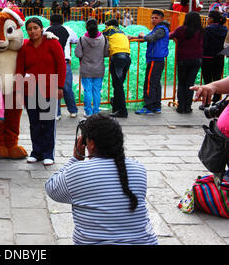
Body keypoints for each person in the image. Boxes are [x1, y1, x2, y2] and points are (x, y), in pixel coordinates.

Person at [45, 113, 158, 245]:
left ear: (91, 144)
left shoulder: (78, 171)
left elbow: (51, 188)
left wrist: (75, 159)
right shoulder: (139, 169)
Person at [15, 17, 66, 166]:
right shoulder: (25, 47)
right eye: (29, 29)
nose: (32, 31)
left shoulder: (53, 43)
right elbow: (20, 68)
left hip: (48, 88)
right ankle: (36, 152)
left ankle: (48, 153)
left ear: (41, 28)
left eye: (35, 28)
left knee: (48, 122)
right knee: (34, 123)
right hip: (30, 89)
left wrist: (60, 87)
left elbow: (61, 65)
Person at [132, 10, 170, 115]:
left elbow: (150, 38)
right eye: (152, 18)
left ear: (161, 19)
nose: (153, 20)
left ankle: (149, 106)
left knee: (150, 83)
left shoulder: (161, 29)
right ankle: (156, 106)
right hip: (155, 59)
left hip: (155, 59)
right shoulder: (157, 29)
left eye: (156, 18)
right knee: (155, 83)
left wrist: (143, 35)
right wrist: (134, 37)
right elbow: (146, 38)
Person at [169, 11, 204, 114]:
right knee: (190, 84)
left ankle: (181, 106)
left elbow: (170, 35)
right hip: (197, 59)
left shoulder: (181, 30)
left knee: (181, 83)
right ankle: (188, 107)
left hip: (183, 59)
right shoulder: (201, 31)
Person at [45, 14, 79, 120]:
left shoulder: (46, 30)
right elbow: (76, 40)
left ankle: (57, 113)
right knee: (67, 88)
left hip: (50, 63)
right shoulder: (68, 30)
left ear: (50, 22)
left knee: (53, 88)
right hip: (64, 62)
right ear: (62, 21)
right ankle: (73, 110)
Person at [75, 18, 109, 117]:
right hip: (99, 68)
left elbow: (78, 54)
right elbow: (106, 53)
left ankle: (88, 111)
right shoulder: (104, 38)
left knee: (87, 90)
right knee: (97, 90)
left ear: (86, 27)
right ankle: (96, 110)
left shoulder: (82, 39)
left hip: (86, 69)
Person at [102, 19, 132, 118]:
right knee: (118, 85)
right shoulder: (122, 32)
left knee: (118, 85)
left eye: (106, 26)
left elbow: (98, 35)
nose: (105, 28)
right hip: (127, 57)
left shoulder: (110, 29)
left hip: (118, 58)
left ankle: (122, 111)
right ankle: (116, 105)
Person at [200, 10, 228, 110]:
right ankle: (216, 102)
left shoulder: (207, 30)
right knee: (217, 80)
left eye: (208, 18)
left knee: (207, 81)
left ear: (211, 19)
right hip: (220, 57)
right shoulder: (225, 29)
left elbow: (205, 44)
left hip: (207, 57)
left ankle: (206, 103)